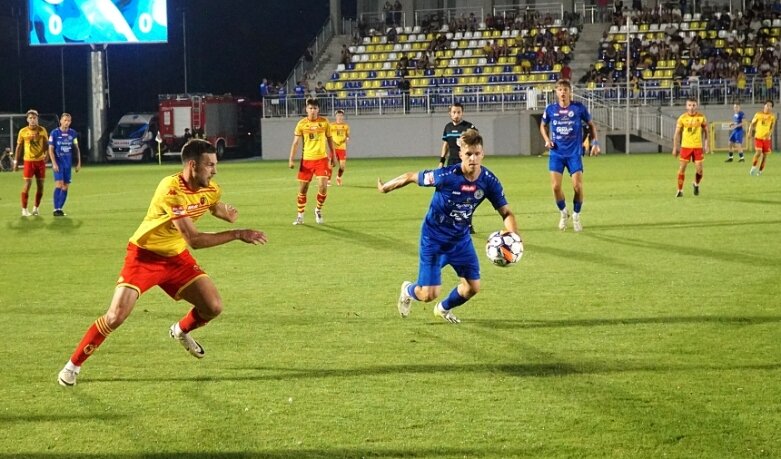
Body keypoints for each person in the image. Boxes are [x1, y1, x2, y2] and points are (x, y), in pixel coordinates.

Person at [56, 139, 267, 387]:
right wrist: (238, 233)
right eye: (209, 165)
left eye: (215, 165)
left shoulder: (211, 188)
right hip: (144, 256)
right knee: (116, 316)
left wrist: (226, 215)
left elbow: (212, 204)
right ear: (192, 165)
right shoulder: (171, 190)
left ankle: (180, 330)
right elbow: (194, 240)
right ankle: (72, 366)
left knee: (213, 306)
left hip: (176, 259)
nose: (215, 170)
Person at [378, 129, 519, 324]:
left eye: (477, 154)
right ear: (461, 154)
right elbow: (411, 176)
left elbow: (507, 213)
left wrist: (513, 237)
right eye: (468, 154)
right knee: (428, 294)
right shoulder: (445, 176)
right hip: (433, 239)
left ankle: (443, 309)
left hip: (460, 240)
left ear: (482, 154)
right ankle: (408, 290)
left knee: (472, 288)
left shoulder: (489, 181)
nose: (473, 158)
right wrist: (386, 187)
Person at [539, 79, 600, 232]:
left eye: (566, 89)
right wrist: (547, 140)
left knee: (578, 187)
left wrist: (595, 143)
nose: (563, 92)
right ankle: (563, 213)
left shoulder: (578, 108)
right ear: (556, 92)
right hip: (557, 153)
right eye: (560, 90)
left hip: (574, 154)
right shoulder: (551, 109)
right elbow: (542, 125)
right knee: (555, 187)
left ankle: (576, 216)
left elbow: (591, 125)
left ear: (570, 92)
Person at [288, 98, 336, 225]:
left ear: (318, 109)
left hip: (322, 159)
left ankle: (318, 210)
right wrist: (291, 159)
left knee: (323, 186)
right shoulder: (301, 124)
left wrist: (334, 156)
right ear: (306, 109)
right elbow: (295, 143)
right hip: (307, 161)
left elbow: (330, 139)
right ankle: (300, 215)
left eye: (315, 108)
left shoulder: (324, 122)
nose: (313, 111)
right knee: (303, 189)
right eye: (310, 108)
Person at [14, 109, 49, 217]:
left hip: (40, 162)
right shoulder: (23, 131)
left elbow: (46, 145)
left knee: (41, 186)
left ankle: (36, 208)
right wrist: (16, 161)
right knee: (27, 184)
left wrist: (47, 155)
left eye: (34, 118)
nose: (33, 120)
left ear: (37, 119)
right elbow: (19, 147)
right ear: (27, 119)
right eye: (31, 118)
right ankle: (24, 209)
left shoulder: (42, 130)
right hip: (28, 161)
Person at [672, 97, 709, 197]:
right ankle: (680, 190)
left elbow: (706, 131)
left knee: (699, 170)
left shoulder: (701, 117)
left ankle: (696, 184)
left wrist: (706, 144)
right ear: (686, 106)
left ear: (697, 106)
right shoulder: (682, 118)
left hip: (697, 147)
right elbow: (676, 134)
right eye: (689, 105)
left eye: (693, 105)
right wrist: (675, 147)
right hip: (685, 147)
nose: (691, 107)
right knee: (682, 168)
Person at [47, 113, 81, 216]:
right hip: (58, 163)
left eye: (69, 121)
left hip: (68, 163)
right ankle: (55, 208)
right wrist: (54, 163)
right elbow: (50, 149)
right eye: (65, 120)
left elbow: (76, 148)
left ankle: (60, 209)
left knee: (65, 186)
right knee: (59, 184)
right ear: (61, 121)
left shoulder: (73, 133)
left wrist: (79, 162)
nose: (67, 122)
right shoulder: (54, 133)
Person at [440, 102, 477, 168]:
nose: (456, 115)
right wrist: (441, 162)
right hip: (451, 161)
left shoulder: (469, 127)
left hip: (465, 161)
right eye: (454, 112)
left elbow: (476, 142)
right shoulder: (448, 127)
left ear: (462, 113)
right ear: (450, 113)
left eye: (459, 112)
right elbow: (446, 145)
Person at [747, 100, 777, 176]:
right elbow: (752, 124)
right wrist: (749, 132)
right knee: (758, 152)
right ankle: (753, 167)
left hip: (766, 139)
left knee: (764, 156)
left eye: (770, 106)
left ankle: (760, 172)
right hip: (758, 137)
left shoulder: (772, 117)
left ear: (772, 108)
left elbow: (772, 128)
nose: (768, 107)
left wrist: (769, 134)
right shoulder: (758, 114)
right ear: (764, 106)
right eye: (767, 105)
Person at [330, 109, 350, 186]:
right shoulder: (331, 125)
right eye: (338, 115)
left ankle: (338, 177)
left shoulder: (345, 126)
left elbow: (347, 136)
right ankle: (328, 180)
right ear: (336, 116)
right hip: (334, 148)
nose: (340, 117)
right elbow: (328, 136)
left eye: (341, 115)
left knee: (342, 166)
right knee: (331, 165)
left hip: (342, 148)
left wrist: (346, 139)